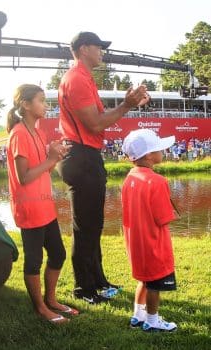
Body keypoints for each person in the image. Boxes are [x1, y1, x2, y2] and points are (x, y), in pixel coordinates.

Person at [57, 31, 150, 304]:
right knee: (85, 226)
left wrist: (126, 104)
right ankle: (83, 288)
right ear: (84, 48)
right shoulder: (76, 79)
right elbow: (96, 124)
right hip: (81, 155)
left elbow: (97, 120)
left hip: (86, 154)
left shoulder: (83, 78)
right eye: (99, 47)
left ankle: (97, 281)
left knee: (93, 224)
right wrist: (126, 105)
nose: (103, 52)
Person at [6, 84, 79, 324]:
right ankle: (40, 308)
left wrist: (54, 153)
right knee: (34, 261)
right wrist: (50, 159)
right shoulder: (18, 134)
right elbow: (24, 177)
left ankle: (51, 300)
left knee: (58, 254)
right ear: (25, 105)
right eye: (41, 100)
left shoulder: (37, 131)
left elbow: (43, 165)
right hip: (29, 209)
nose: (45, 105)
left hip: (45, 207)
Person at [121, 128, 178, 332]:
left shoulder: (129, 179)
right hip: (154, 243)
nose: (163, 151)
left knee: (144, 280)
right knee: (155, 285)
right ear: (148, 156)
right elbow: (163, 219)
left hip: (136, 244)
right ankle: (152, 321)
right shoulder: (158, 181)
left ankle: (138, 314)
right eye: (159, 148)